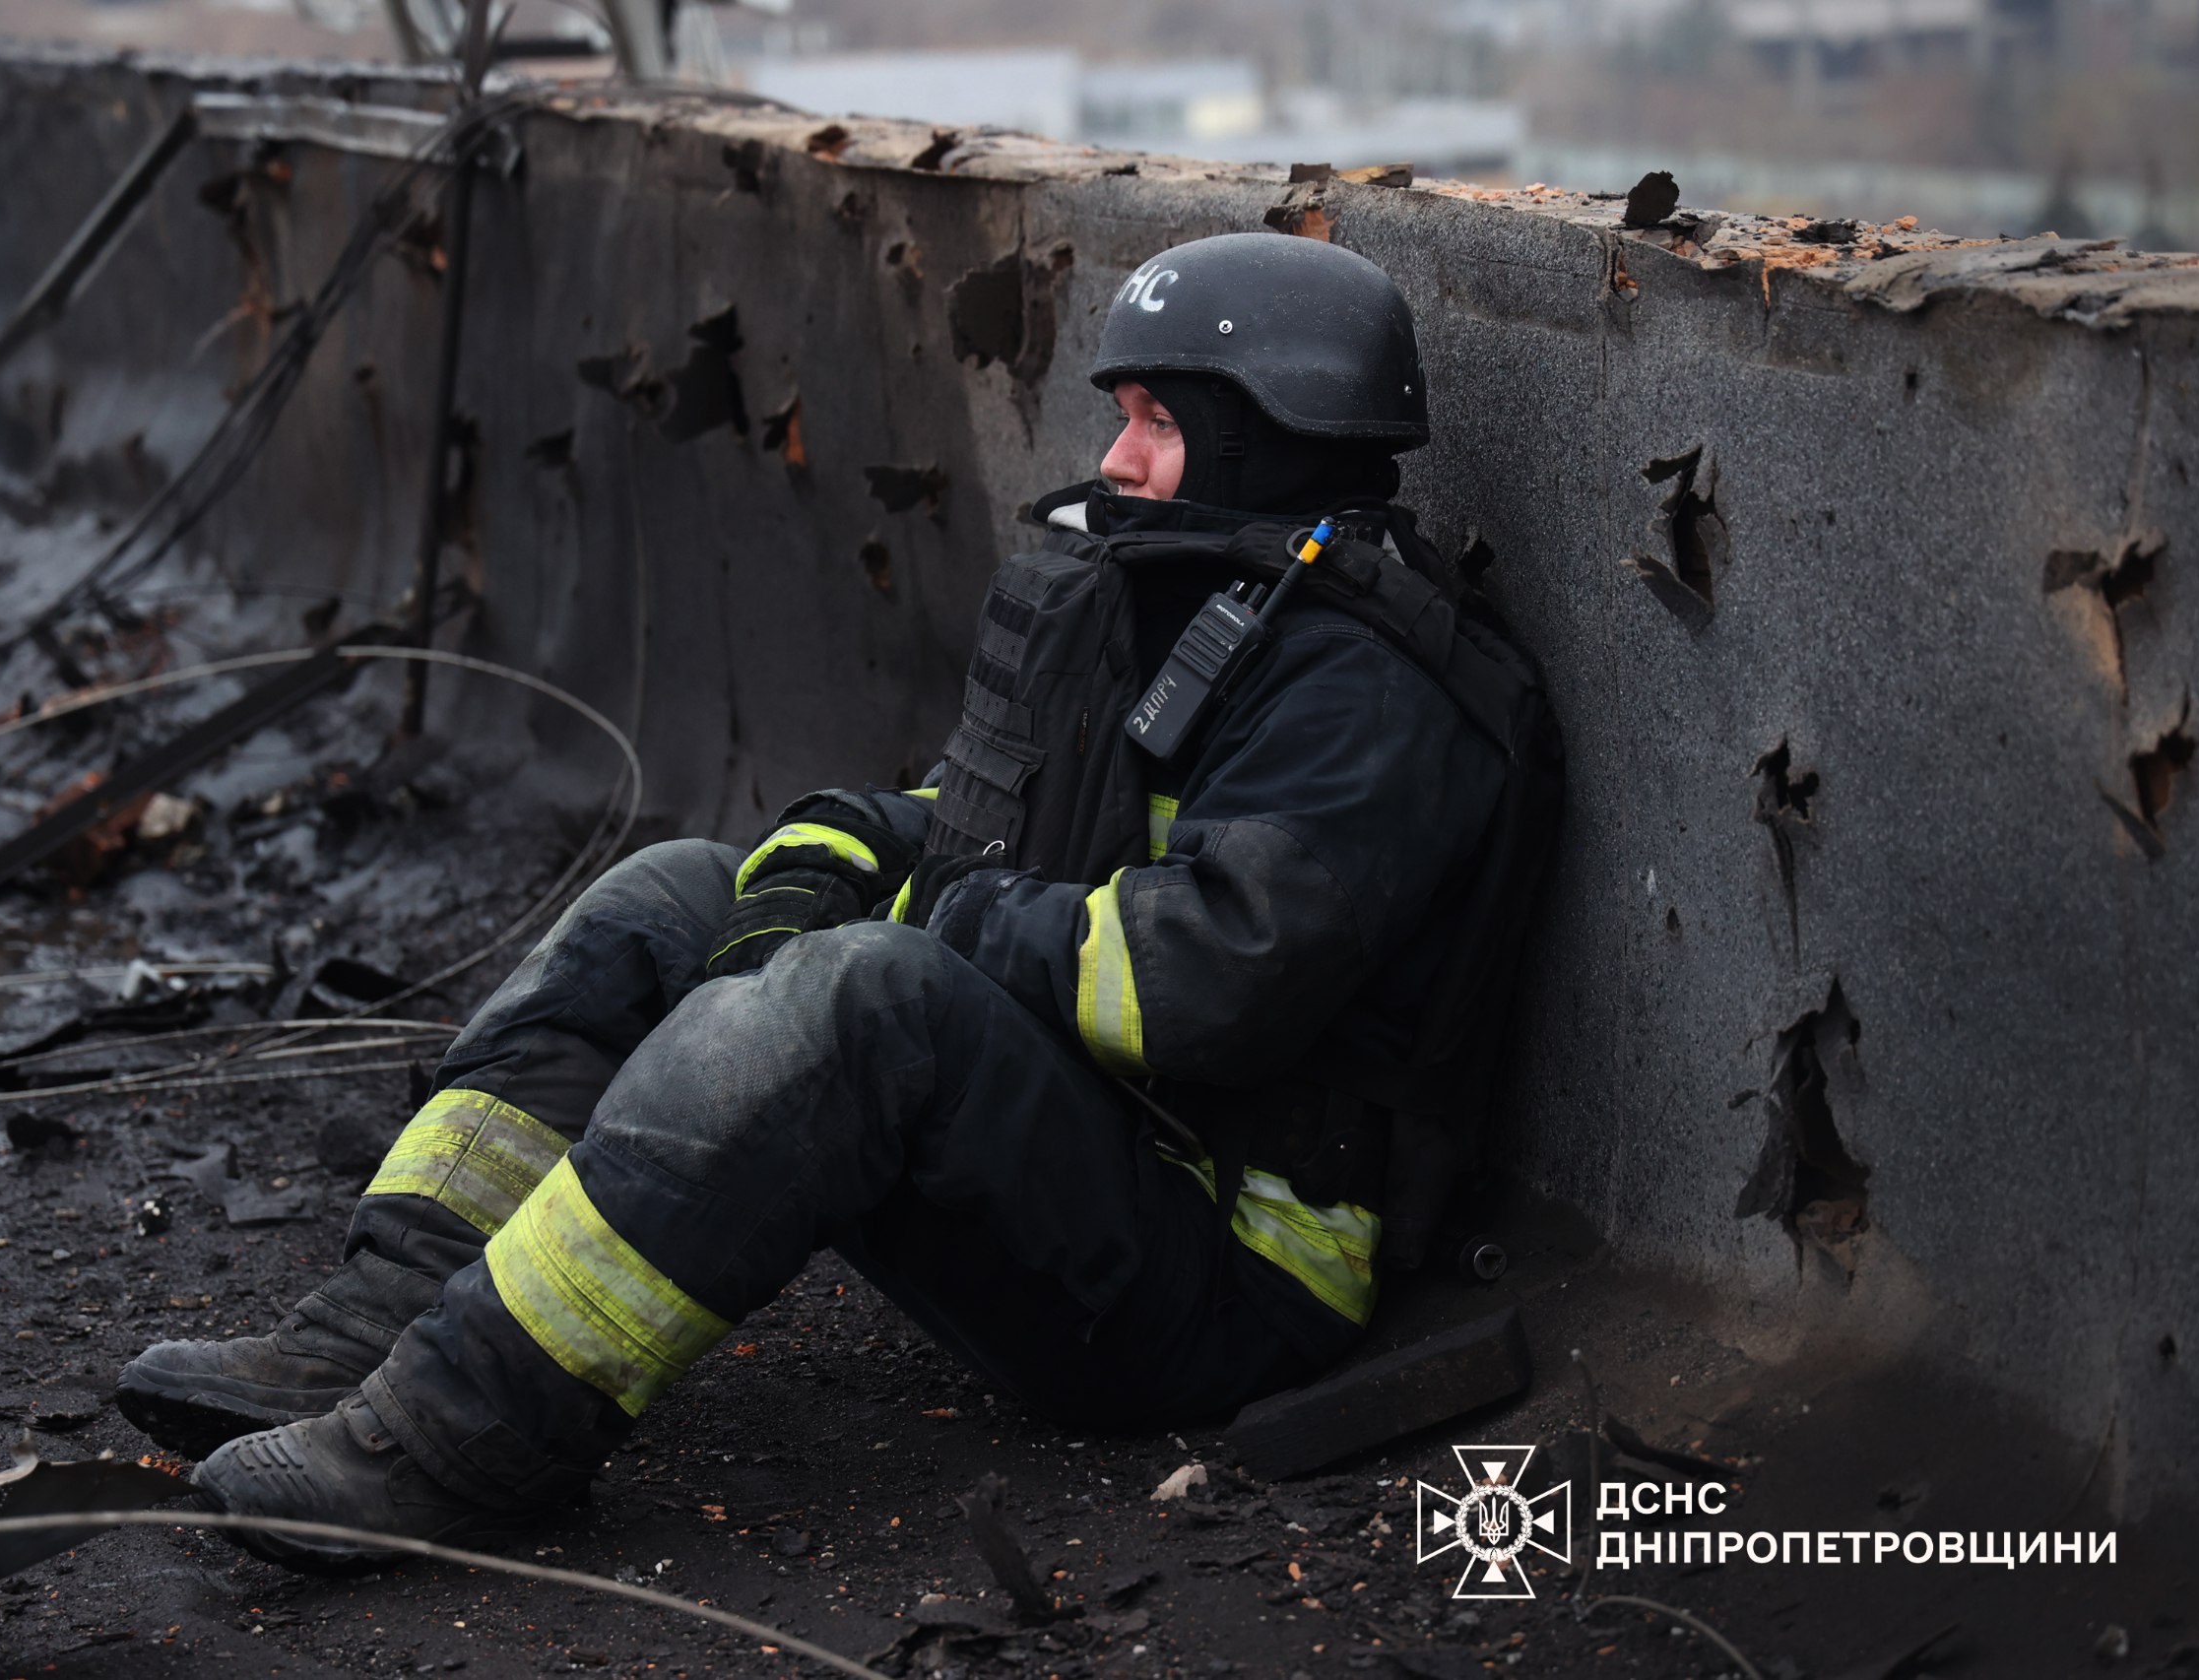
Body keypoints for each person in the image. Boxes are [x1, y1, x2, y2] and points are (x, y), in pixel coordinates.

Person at [116, 230, 1548, 1570]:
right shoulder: (1194, 603)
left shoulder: (1369, 691)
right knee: (674, 894)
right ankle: (373, 1331)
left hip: (1221, 1279)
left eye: (1157, 425)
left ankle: (457, 1441)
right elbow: (990, 823)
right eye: (1120, 415)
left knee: (867, 998)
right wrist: (829, 853)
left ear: (1268, 435)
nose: (1114, 459)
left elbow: (1201, 977)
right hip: (1106, 1160)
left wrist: (926, 924)